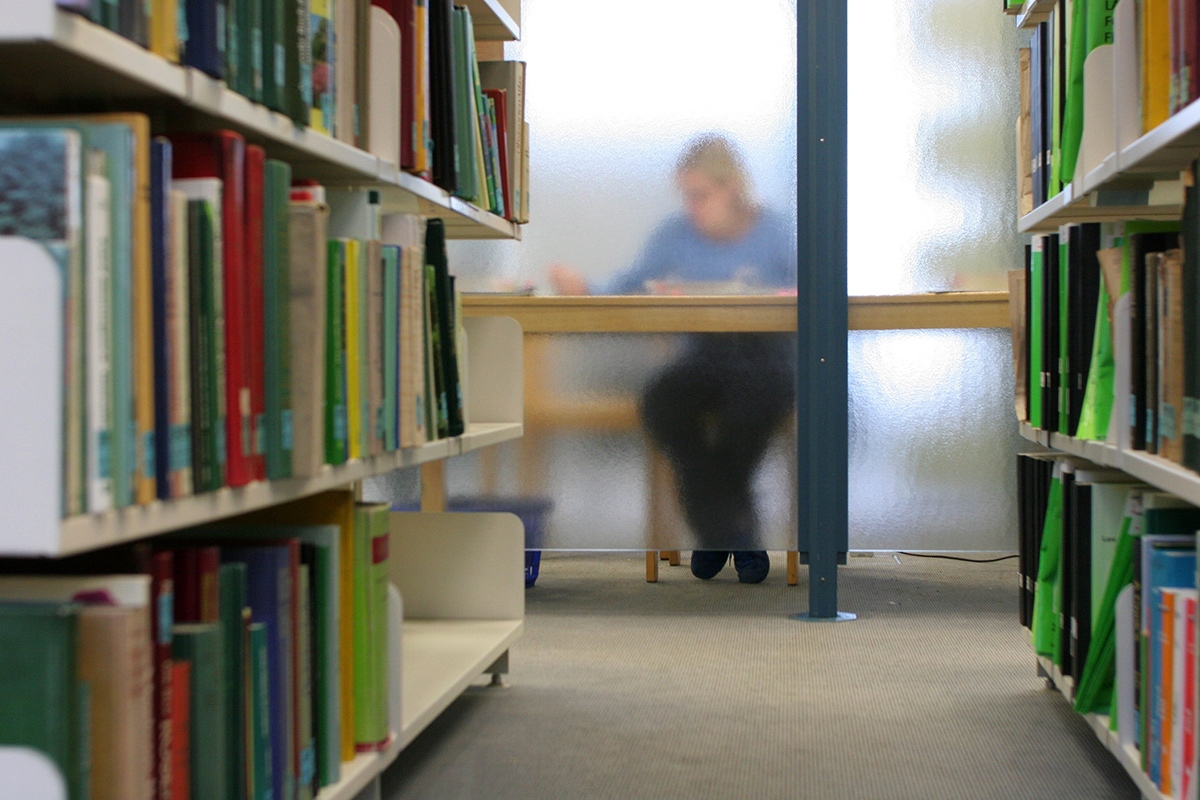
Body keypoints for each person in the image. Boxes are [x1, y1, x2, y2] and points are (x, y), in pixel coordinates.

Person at [549, 134, 797, 583]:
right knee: (662, 405)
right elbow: (626, 285)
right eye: (687, 196)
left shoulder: (778, 232)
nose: (691, 206)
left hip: (766, 359)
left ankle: (718, 534)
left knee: (749, 412)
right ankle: (735, 532)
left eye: (701, 195)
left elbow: (812, 292)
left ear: (734, 189)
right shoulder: (674, 235)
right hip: (702, 358)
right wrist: (583, 287)